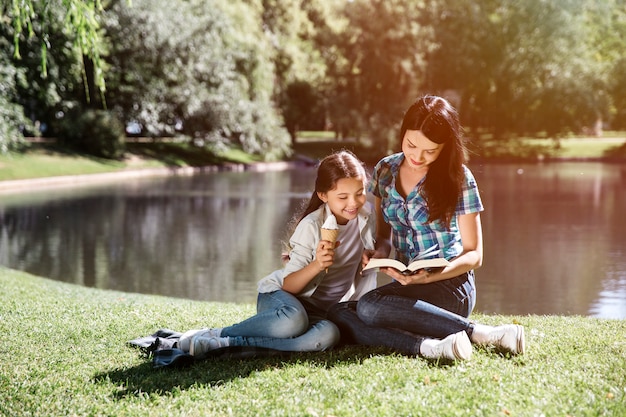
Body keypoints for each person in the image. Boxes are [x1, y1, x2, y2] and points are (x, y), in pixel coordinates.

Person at [328, 96, 525, 361]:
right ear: (403, 133)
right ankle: (430, 347)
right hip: (409, 286)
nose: (417, 157)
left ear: (445, 148)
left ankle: (481, 333)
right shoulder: (385, 171)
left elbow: (474, 255)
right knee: (339, 313)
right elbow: (384, 236)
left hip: (451, 285)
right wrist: (378, 253)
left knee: (369, 308)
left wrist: (430, 277)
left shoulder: (459, 178)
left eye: (430, 151)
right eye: (411, 145)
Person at [177, 150, 380, 358]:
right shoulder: (311, 226)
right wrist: (317, 265)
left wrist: (372, 254)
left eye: (360, 192)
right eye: (343, 197)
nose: (354, 203)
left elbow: (375, 245)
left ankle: (230, 344)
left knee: (329, 335)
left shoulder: (366, 216)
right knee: (294, 321)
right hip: (281, 300)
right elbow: (288, 285)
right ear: (323, 195)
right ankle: (218, 335)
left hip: (320, 312)